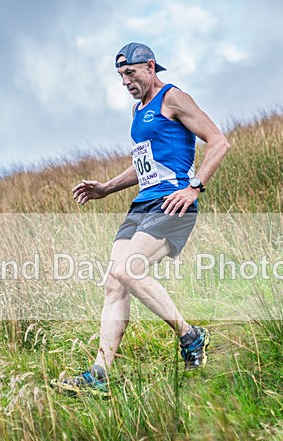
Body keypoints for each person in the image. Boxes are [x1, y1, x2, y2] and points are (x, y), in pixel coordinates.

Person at [52, 42, 230, 397]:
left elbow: (219, 142)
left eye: (130, 72)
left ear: (150, 66)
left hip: (173, 202)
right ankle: (100, 374)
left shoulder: (173, 97)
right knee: (113, 283)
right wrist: (106, 188)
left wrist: (194, 187)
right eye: (120, 75)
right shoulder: (138, 110)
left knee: (128, 270)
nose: (125, 81)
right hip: (141, 206)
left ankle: (191, 335)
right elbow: (143, 164)